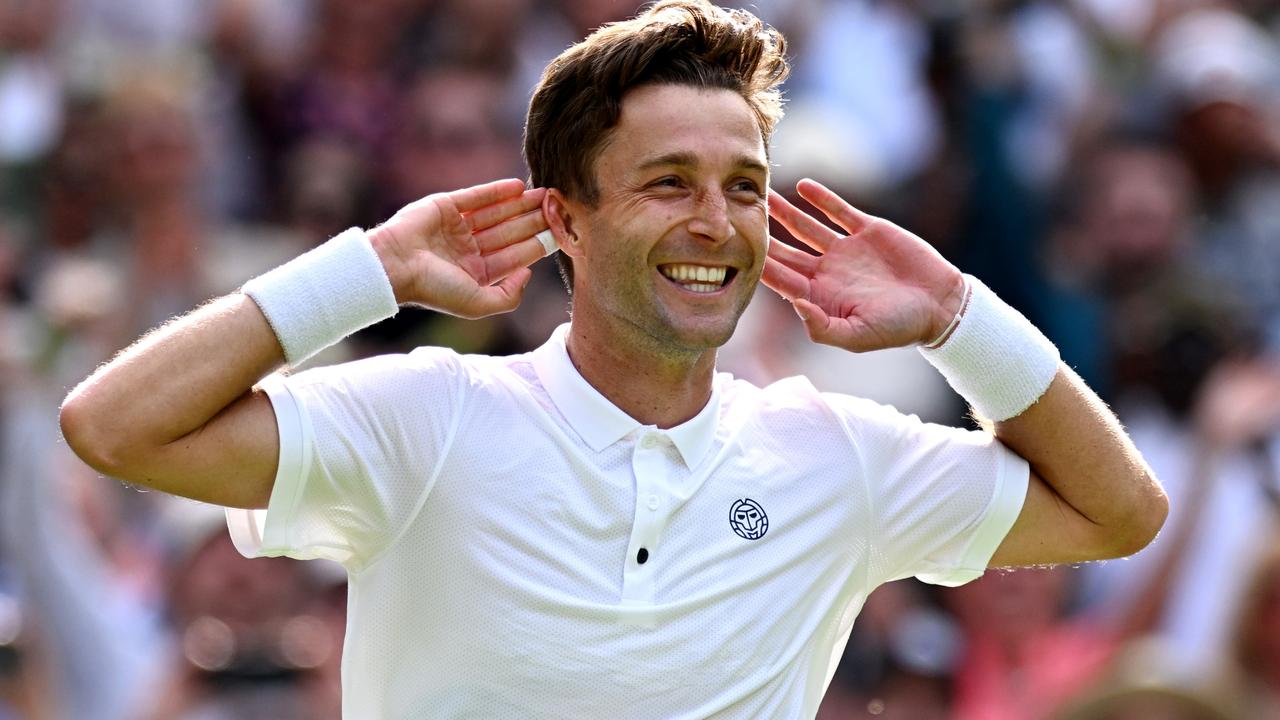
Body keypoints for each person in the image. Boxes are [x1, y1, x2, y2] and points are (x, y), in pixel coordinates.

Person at [59, 1, 1168, 717]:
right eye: (667, 181)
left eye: (743, 187)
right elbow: (115, 427)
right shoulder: (427, 416)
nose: (715, 221)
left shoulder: (834, 453)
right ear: (565, 222)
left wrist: (954, 317)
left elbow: (1117, 512)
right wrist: (371, 269)